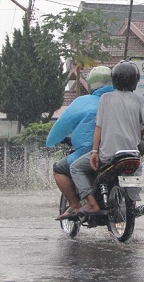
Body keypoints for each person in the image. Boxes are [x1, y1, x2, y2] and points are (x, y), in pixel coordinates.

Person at [70, 60, 144, 215]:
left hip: (108, 155)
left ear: (114, 79)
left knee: (75, 167)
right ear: (135, 81)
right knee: (137, 170)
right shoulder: (141, 100)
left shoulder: (106, 98)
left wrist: (95, 152)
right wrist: (140, 133)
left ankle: (90, 203)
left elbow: (99, 127)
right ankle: (133, 204)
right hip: (132, 154)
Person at [46, 66, 114, 220]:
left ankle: (76, 206)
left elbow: (62, 126)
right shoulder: (122, 100)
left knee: (59, 168)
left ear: (92, 84)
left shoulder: (83, 102)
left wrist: (51, 142)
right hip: (121, 150)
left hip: (90, 152)